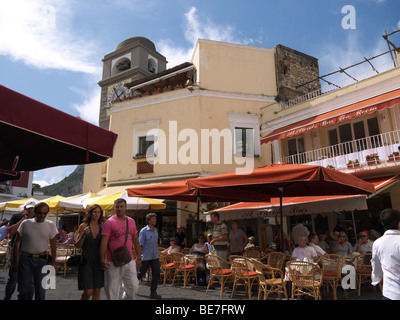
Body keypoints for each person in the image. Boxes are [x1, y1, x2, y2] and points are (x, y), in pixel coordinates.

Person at [11, 202, 58, 300]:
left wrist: (53, 262)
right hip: (25, 260)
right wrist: (14, 261)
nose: (42, 215)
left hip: (42, 260)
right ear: (35, 212)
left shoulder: (50, 225)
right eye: (40, 213)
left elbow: (54, 245)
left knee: (41, 292)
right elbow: (17, 242)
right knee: (23, 291)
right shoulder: (25, 223)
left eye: (45, 213)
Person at [100, 198, 142, 300]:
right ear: (114, 208)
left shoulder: (131, 221)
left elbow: (136, 241)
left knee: (133, 287)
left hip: (129, 259)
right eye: (117, 207)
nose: (119, 209)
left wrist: (139, 257)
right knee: (112, 290)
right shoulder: (109, 222)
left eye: (121, 206)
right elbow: (104, 243)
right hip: (112, 260)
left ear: (125, 207)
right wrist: (102, 259)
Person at [3, 200, 35, 300]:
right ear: (24, 208)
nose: (29, 211)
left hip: (30, 250)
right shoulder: (16, 217)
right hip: (17, 249)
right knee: (13, 277)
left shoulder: (37, 220)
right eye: (27, 208)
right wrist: (23, 220)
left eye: (31, 209)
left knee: (29, 280)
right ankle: (6, 297)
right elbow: (11, 231)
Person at [75, 204, 105, 300]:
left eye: (98, 212)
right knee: (88, 291)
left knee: (97, 290)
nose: (96, 214)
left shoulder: (103, 225)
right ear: (90, 213)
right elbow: (77, 245)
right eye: (94, 212)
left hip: (99, 259)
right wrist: (83, 235)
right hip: (86, 259)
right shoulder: (83, 226)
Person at [371, 208, 400, 300]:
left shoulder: (377, 243)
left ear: (382, 223)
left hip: (390, 292)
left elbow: (376, 265)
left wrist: (375, 279)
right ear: (399, 223)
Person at [137, 213, 162, 299]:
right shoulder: (143, 231)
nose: (155, 220)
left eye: (155, 218)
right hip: (146, 256)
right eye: (153, 218)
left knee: (156, 273)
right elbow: (140, 245)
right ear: (148, 220)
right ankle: (130, 286)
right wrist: (139, 257)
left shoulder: (155, 230)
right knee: (140, 274)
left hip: (155, 256)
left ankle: (153, 292)